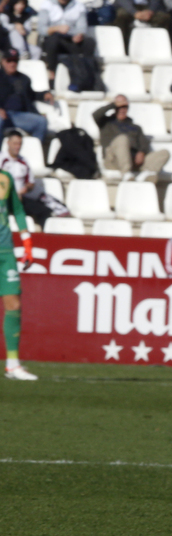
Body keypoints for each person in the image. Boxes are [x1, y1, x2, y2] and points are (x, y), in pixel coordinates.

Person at [0, 158, 34, 380]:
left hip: (5, 251)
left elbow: (18, 211)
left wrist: (27, 243)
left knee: (14, 304)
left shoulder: (6, 178)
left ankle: (12, 364)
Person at [0, 129, 69, 228]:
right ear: (8, 143)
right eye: (15, 143)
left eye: (20, 144)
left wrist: (24, 190)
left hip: (19, 198)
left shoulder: (23, 161)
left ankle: (44, 240)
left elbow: (30, 183)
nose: (17, 147)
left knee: (44, 211)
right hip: (2, 198)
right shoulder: (1, 159)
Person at [94, 96, 170, 180]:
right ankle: (126, 173)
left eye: (125, 106)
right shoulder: (106, 123)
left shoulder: (135, 127)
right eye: (119, 107)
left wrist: (142, 152)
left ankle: (147, 174)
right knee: (122, 139)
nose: (122, 109)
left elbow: (144, 142)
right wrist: (113, 104)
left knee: (164, 153)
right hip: (114, 160)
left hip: (134, 161)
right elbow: (96, 115)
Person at [38, 0, 96, 89]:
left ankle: (89, 72)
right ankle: (52, 72)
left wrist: (79, 35)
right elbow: (41, 29)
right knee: (53, 40)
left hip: (71, 39)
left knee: (89, 42)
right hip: (52, 38)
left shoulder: (78, 6)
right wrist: (56, 28)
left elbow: (82, 27)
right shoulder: (47, 5)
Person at [0, 49, 50, 144]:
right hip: (3, 115)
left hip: (19, 115)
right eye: (9, 61)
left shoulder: (24, 79)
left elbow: (31, 95)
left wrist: (44, 94)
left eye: (15, 61)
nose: (12, 64)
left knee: (41, 122)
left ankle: (33, 153)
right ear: (3, 61)